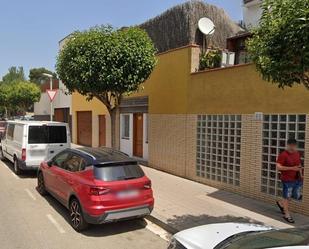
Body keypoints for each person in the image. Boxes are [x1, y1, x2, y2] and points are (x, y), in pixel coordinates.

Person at [276, 138, 303, 223]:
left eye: (293, 146)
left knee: (296, 195)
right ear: (287, 145)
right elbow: (278, 167)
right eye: (290, 145)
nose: (292, 147)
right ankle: (287, 215)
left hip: (297, 179)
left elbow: (299, 164)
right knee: (287, 197)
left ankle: (281, 203)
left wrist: (301, 175)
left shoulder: (297, 153)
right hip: (287, 180)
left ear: (296, 146)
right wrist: (291, 168)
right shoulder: (283, 155)